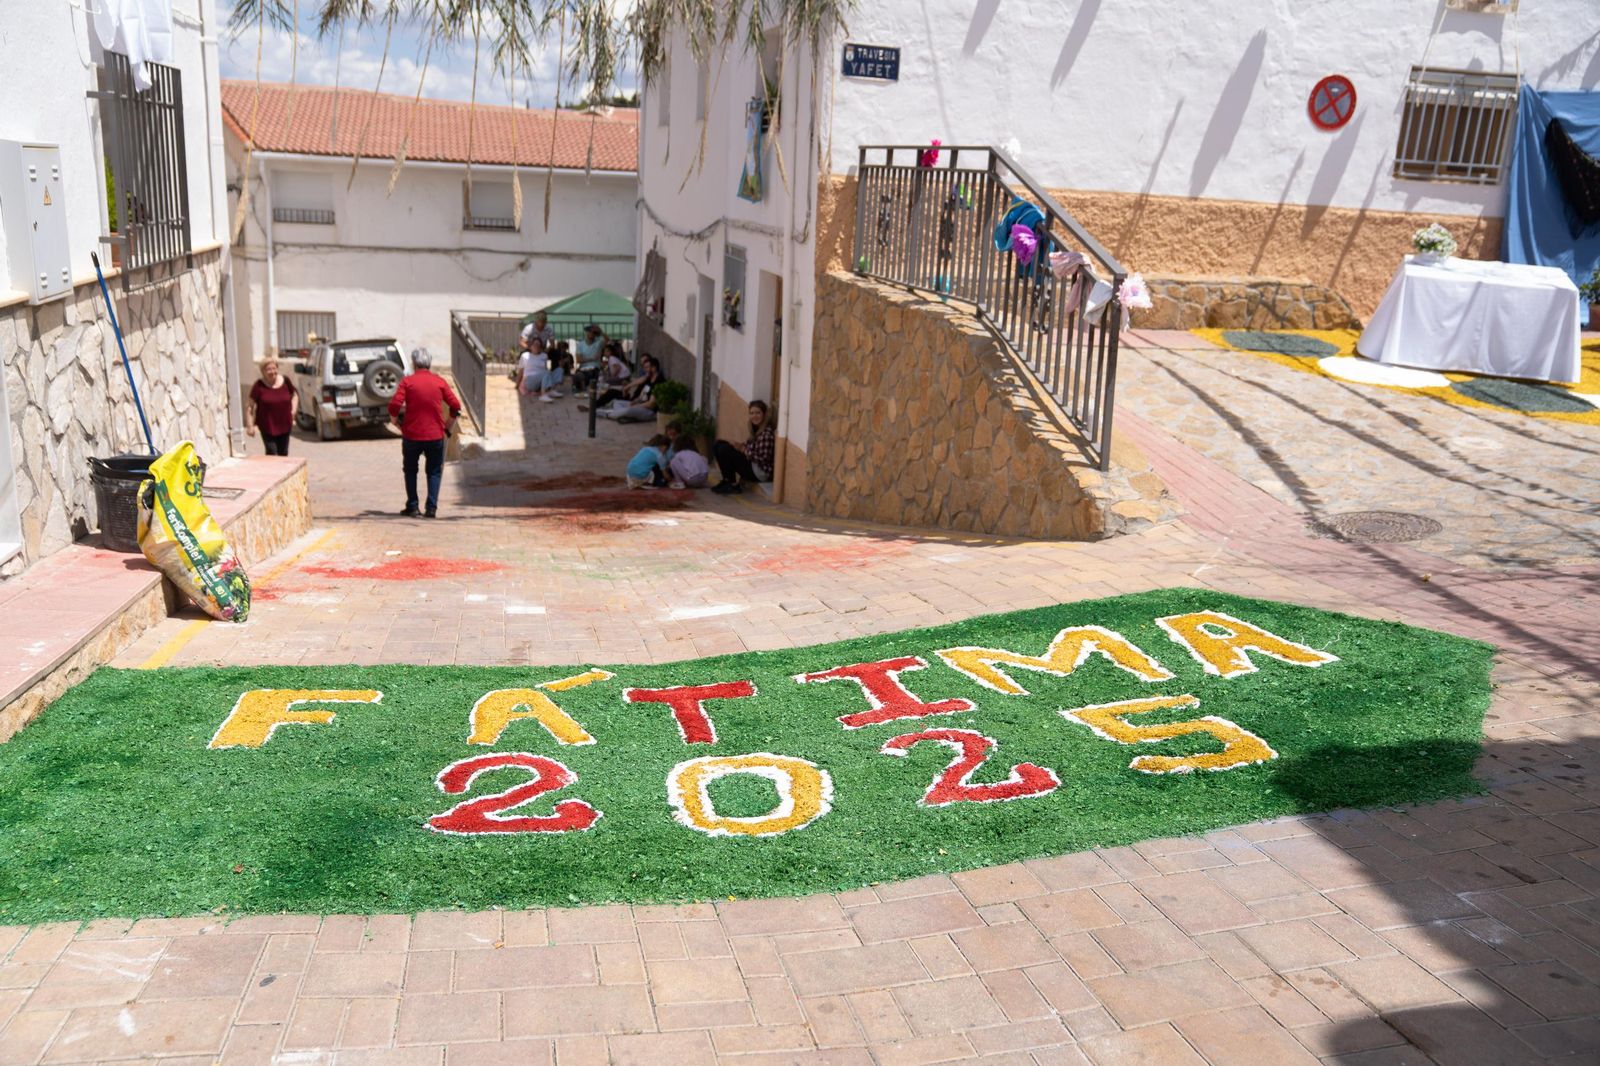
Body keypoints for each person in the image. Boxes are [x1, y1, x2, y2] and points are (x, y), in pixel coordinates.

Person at [388, 349, 462, 518]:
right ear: (429, 363)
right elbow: (456, 406)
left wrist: (395, 422)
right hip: (435, 434)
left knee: (410, 470)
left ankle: (413, 506)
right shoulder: (439, 382)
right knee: (434, 471)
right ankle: (431, 508)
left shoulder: (408, 382)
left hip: (411, 434)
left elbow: (394, 406)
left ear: (414, 364)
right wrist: (448, 425)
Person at [712, 400, 775, 494]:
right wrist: (739, 445)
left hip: (759, 472)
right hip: (752, 465)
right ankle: (726, 480)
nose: (755, 416)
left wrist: (744, 450)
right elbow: (750, 447)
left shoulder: (766, 434)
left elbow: (763, 459)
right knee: (719, 444)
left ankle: (732, 484)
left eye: (758, 413)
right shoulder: (756, 430)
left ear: (764, 414)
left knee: (725, 450)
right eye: (752, 413)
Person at [246, 358, 298, 456]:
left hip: (285, 423)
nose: (272, 371)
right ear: (263, 372)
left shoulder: (285, 381)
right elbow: (249, 407)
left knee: (283, 453)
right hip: (267, 425)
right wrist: (250, 426)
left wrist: (293, 410)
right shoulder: (259, 386)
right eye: (268, 369)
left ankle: (282, 471)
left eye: (274, 368)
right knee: (272, 452)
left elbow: (294, 395)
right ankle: (273, 471)